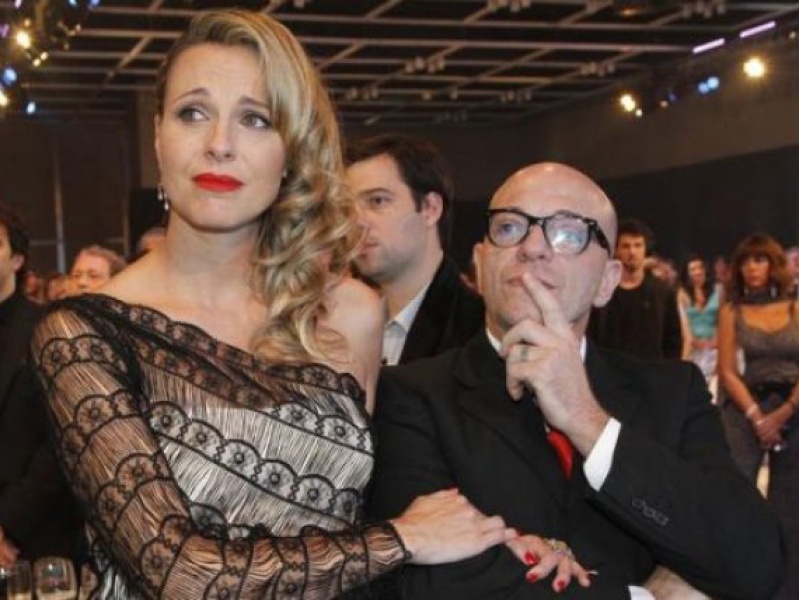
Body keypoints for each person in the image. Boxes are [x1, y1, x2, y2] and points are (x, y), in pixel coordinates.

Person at [30, 10, 515, 599]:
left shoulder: (350, 314)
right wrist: (403, 539)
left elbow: (371, 507)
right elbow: (178, 572)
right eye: (193, 113)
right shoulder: (84, 333)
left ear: (291, 150)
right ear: (158, 135)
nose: (219, 144)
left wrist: (505, 539)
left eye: (255, 119)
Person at [369, 163, 785, 599]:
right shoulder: (411, 394)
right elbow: (419, 581)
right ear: (480, 262)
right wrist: (641, 597)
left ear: (608, 282)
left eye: (568, 234)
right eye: (509, 228)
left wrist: (589, 423)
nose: (532, 247)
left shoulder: (672, 392)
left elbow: (756, 561)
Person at [345, 134, 484, 365]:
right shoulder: (349, 326)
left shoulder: (479, 330)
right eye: (346, 208)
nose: (356, 222)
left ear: (430, 208)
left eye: (377, 201)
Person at [717, 233, 799, 600]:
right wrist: (757, 417)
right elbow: (726, 371)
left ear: (774, 265)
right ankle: (738, 584)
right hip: (747, 406)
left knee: (790, 505)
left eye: (760, 260)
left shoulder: (796, 306)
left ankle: (788, 589)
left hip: (793, 406)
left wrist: (784, 413)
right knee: (737, 498)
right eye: (747, 261)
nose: (752, 267)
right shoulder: (731, 309)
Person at [0, 203, 81, 569]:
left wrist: (7, 525)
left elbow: (62, 440)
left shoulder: (49, 328)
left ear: (17, 260)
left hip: (34, 540)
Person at [587, 218, 682, 360]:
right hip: (609, 370)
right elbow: (591, 337)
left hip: (651, 370)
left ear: (645, 249)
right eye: (626, 246)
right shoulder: (601, 292)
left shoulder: (663, 292)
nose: (632, 252)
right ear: (616, 250)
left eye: (638, 245)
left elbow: (673, 341)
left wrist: (668, 371)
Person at [680, 254, 721, 393]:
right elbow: (684, 326)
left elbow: (722, 321)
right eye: (693, 269)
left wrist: (715, 341)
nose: (697, 272)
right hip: (694, 348)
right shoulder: (682, 294)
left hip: (716, 347)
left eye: (700, 268)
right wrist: (695, 342)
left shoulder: (718, 291)